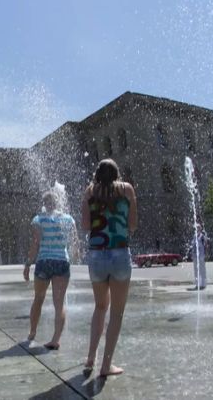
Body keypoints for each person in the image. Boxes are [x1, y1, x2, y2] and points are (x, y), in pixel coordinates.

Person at [81, 159, 137, 378]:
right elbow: (133, 225)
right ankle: (106, 365)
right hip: (120, 253)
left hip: (96, 255)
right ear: (117, 173)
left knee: (100, 307)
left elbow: (85, 226)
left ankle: (90, 358)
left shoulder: (89, 192)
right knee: (116, 312)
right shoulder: (127, 190)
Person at [25, 191, 77, 350]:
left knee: (38, 299)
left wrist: (28, 264)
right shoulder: (68, 219)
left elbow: (36, 244)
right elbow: (75, 244)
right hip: (62, 261)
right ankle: (55, 339)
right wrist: (72, 260)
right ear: (58, 203)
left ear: (45, 203)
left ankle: (33, 332)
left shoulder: (38, 219)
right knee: (59, 303)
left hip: (44, 261)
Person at [192, 224, 208, 290]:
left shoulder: (202, 236)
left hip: (201, 255)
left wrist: (206, 254)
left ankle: (203, 284)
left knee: (202, 270)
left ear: (200, 229)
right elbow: (193, 246)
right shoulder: (194, 236)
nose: (197, 229)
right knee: (196, 270)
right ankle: (197, 284)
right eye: (196, 228)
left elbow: (205, 245)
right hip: (195, 255)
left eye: (198, 228)